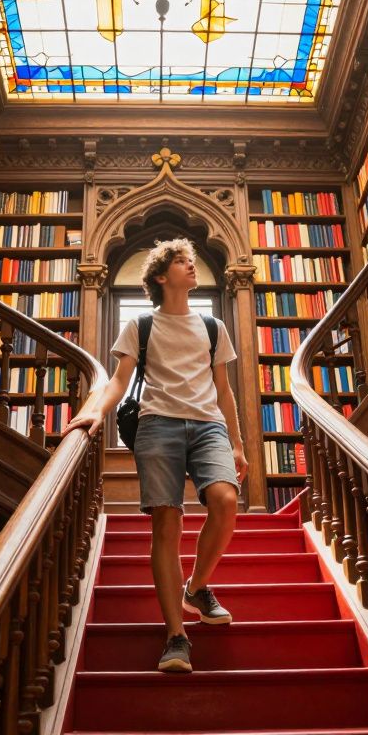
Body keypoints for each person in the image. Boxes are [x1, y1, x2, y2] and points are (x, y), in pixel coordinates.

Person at [64, 238, 247, 673]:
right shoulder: (141, 326)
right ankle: (175, 636)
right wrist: (93, 415)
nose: (192, 266)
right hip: (157, 426)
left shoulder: (212, 327)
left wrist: (238, 444)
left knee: (224, 501)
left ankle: (196, 587)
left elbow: (224, 390)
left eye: (192, 261)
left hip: (208, 427)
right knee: (167, 522)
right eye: (183, 262)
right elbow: (117, 382)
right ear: (162, 277)